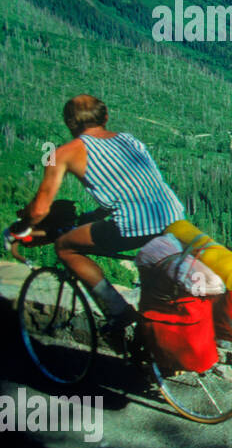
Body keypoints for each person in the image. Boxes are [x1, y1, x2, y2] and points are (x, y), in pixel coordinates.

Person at [17, 95, 185, 336]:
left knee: (65, 246)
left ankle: (118, 311)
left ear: (69, 122)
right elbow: (133, 187)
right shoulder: (129, 139)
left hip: (135, 224)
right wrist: (92, 216)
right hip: (173, 216)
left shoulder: (63, 153)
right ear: (106, 117)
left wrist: (22, 227)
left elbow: (39, 210)